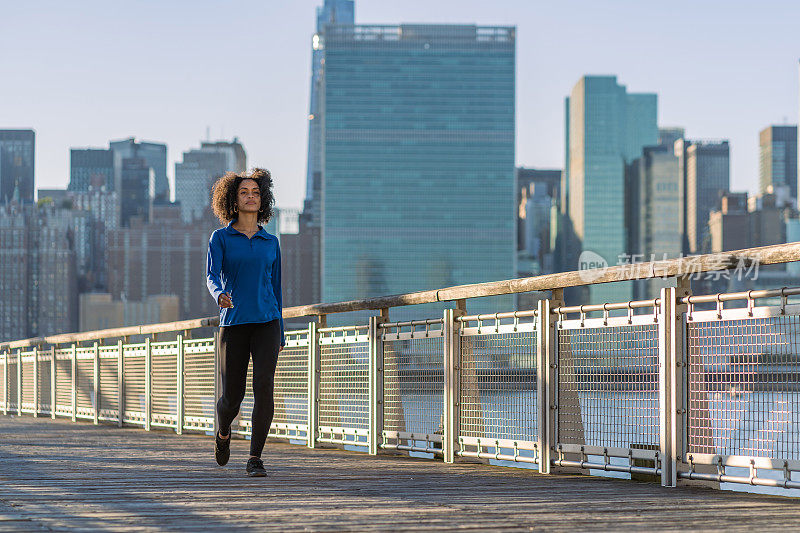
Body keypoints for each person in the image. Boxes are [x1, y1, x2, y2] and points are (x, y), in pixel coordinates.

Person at [206, 168, 284, 477]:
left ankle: (255, 459)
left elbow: (276, 289)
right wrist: (219, 295)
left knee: (264, 387)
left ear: (261, 199)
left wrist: (281, 330)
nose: (250, 196)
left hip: (266, 323)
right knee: (232, 397)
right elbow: (211, 276)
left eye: (255, 192)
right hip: (234, 323)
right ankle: (223, 429)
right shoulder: (221, 238)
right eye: (243, 192)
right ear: (233, 201)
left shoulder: (270, 242)